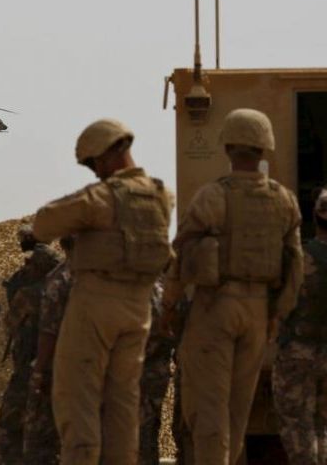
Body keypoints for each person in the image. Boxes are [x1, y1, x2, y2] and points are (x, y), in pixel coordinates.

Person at [162, 108, 304, 465]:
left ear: (227, 146)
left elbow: (181, 255)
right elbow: (295, 266)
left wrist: (168, 305)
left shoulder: (213, 196)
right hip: (258, 312)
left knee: (209, 407)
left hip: (216, 307)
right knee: (238, 410)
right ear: (265, 148)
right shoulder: (284, 200)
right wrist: (276, 315)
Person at [33, 119, 174, 464]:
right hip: (138, 310)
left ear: (107, 154)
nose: (94, 173)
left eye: (93, 164)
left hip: (96, 305)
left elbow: (43, 224)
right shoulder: (161, 196)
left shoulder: (100, 198)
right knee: (122, 407)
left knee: (76, 399)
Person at [272, 188, 327, 465]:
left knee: (297, 425)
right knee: (322, 426)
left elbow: (282, 304)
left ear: (317, 215)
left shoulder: (301, 259)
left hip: (299, 353)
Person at [0, 244, 60, 464]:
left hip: (28, 373)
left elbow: (10, 325)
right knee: (48, 436)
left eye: (30, 264)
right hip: (61, 375)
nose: (26, 268)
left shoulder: (29, 294)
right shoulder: (69, 293)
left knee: (7, 430)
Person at [22, 235, 74, 465]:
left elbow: (49, 331)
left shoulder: (59, 280)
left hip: (55, 370)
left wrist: (39, 370)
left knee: (39, 440)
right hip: (86, 371)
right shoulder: (96, 277)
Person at [139, 280, 176, 465]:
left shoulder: (142, 292)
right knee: (151, 432)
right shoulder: (163, 292)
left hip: (143, 375)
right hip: (158, 374)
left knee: (141, 435)